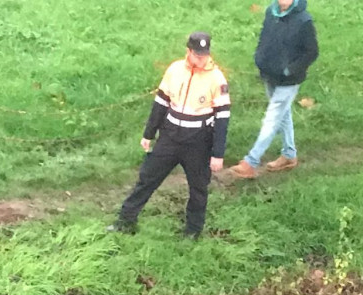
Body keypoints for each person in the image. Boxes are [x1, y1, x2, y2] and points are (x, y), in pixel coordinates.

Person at [107, 32, 230, 239]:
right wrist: (149, 134)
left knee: (198, 188)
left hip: (198, 141)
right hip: (170, 137)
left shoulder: (217, 79)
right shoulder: (174, 70)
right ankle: (126, 221)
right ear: (188, 51)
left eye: (204, 55)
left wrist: (217, 153)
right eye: (197, 55)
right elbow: (161, 104)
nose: (201, 59)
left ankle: (193, 231)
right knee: (147, 178)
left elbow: (223, 117)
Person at [228, 0, 319, 179]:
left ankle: (251, 162)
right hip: (269, 74)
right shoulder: (271, 12)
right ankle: (289, 155)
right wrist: (259, 58)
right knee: (282, 115)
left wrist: (291, 69)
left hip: (289, 80)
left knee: (272, 118)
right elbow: (265, 38)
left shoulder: (304, 20)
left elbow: (312, 52)